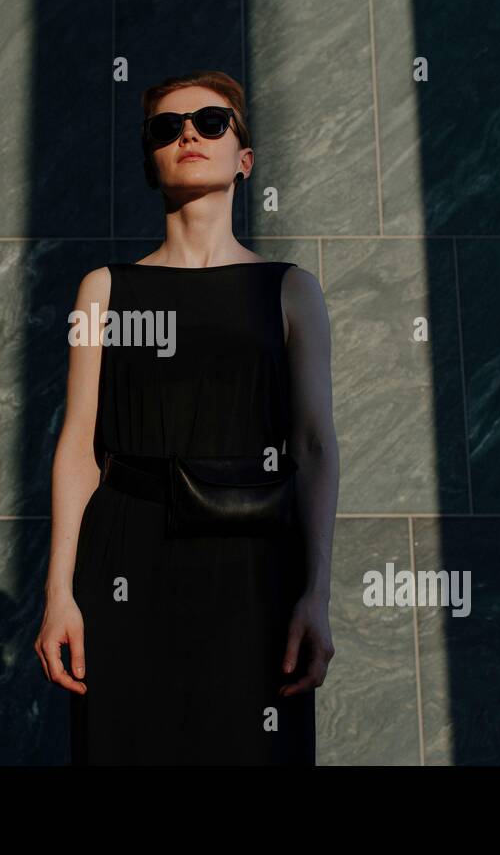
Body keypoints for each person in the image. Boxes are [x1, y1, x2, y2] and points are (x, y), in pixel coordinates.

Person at [34, 70, 339, 764]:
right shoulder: (103, 292)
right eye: (167, 129)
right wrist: (59, 593)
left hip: (255, 566)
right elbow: (78, 447)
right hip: (126, 559)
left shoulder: (291, 290)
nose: (190, 136)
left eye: (210, 122)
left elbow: (316, 447)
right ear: (151, 158)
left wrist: (317, 594)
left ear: (245, 158)